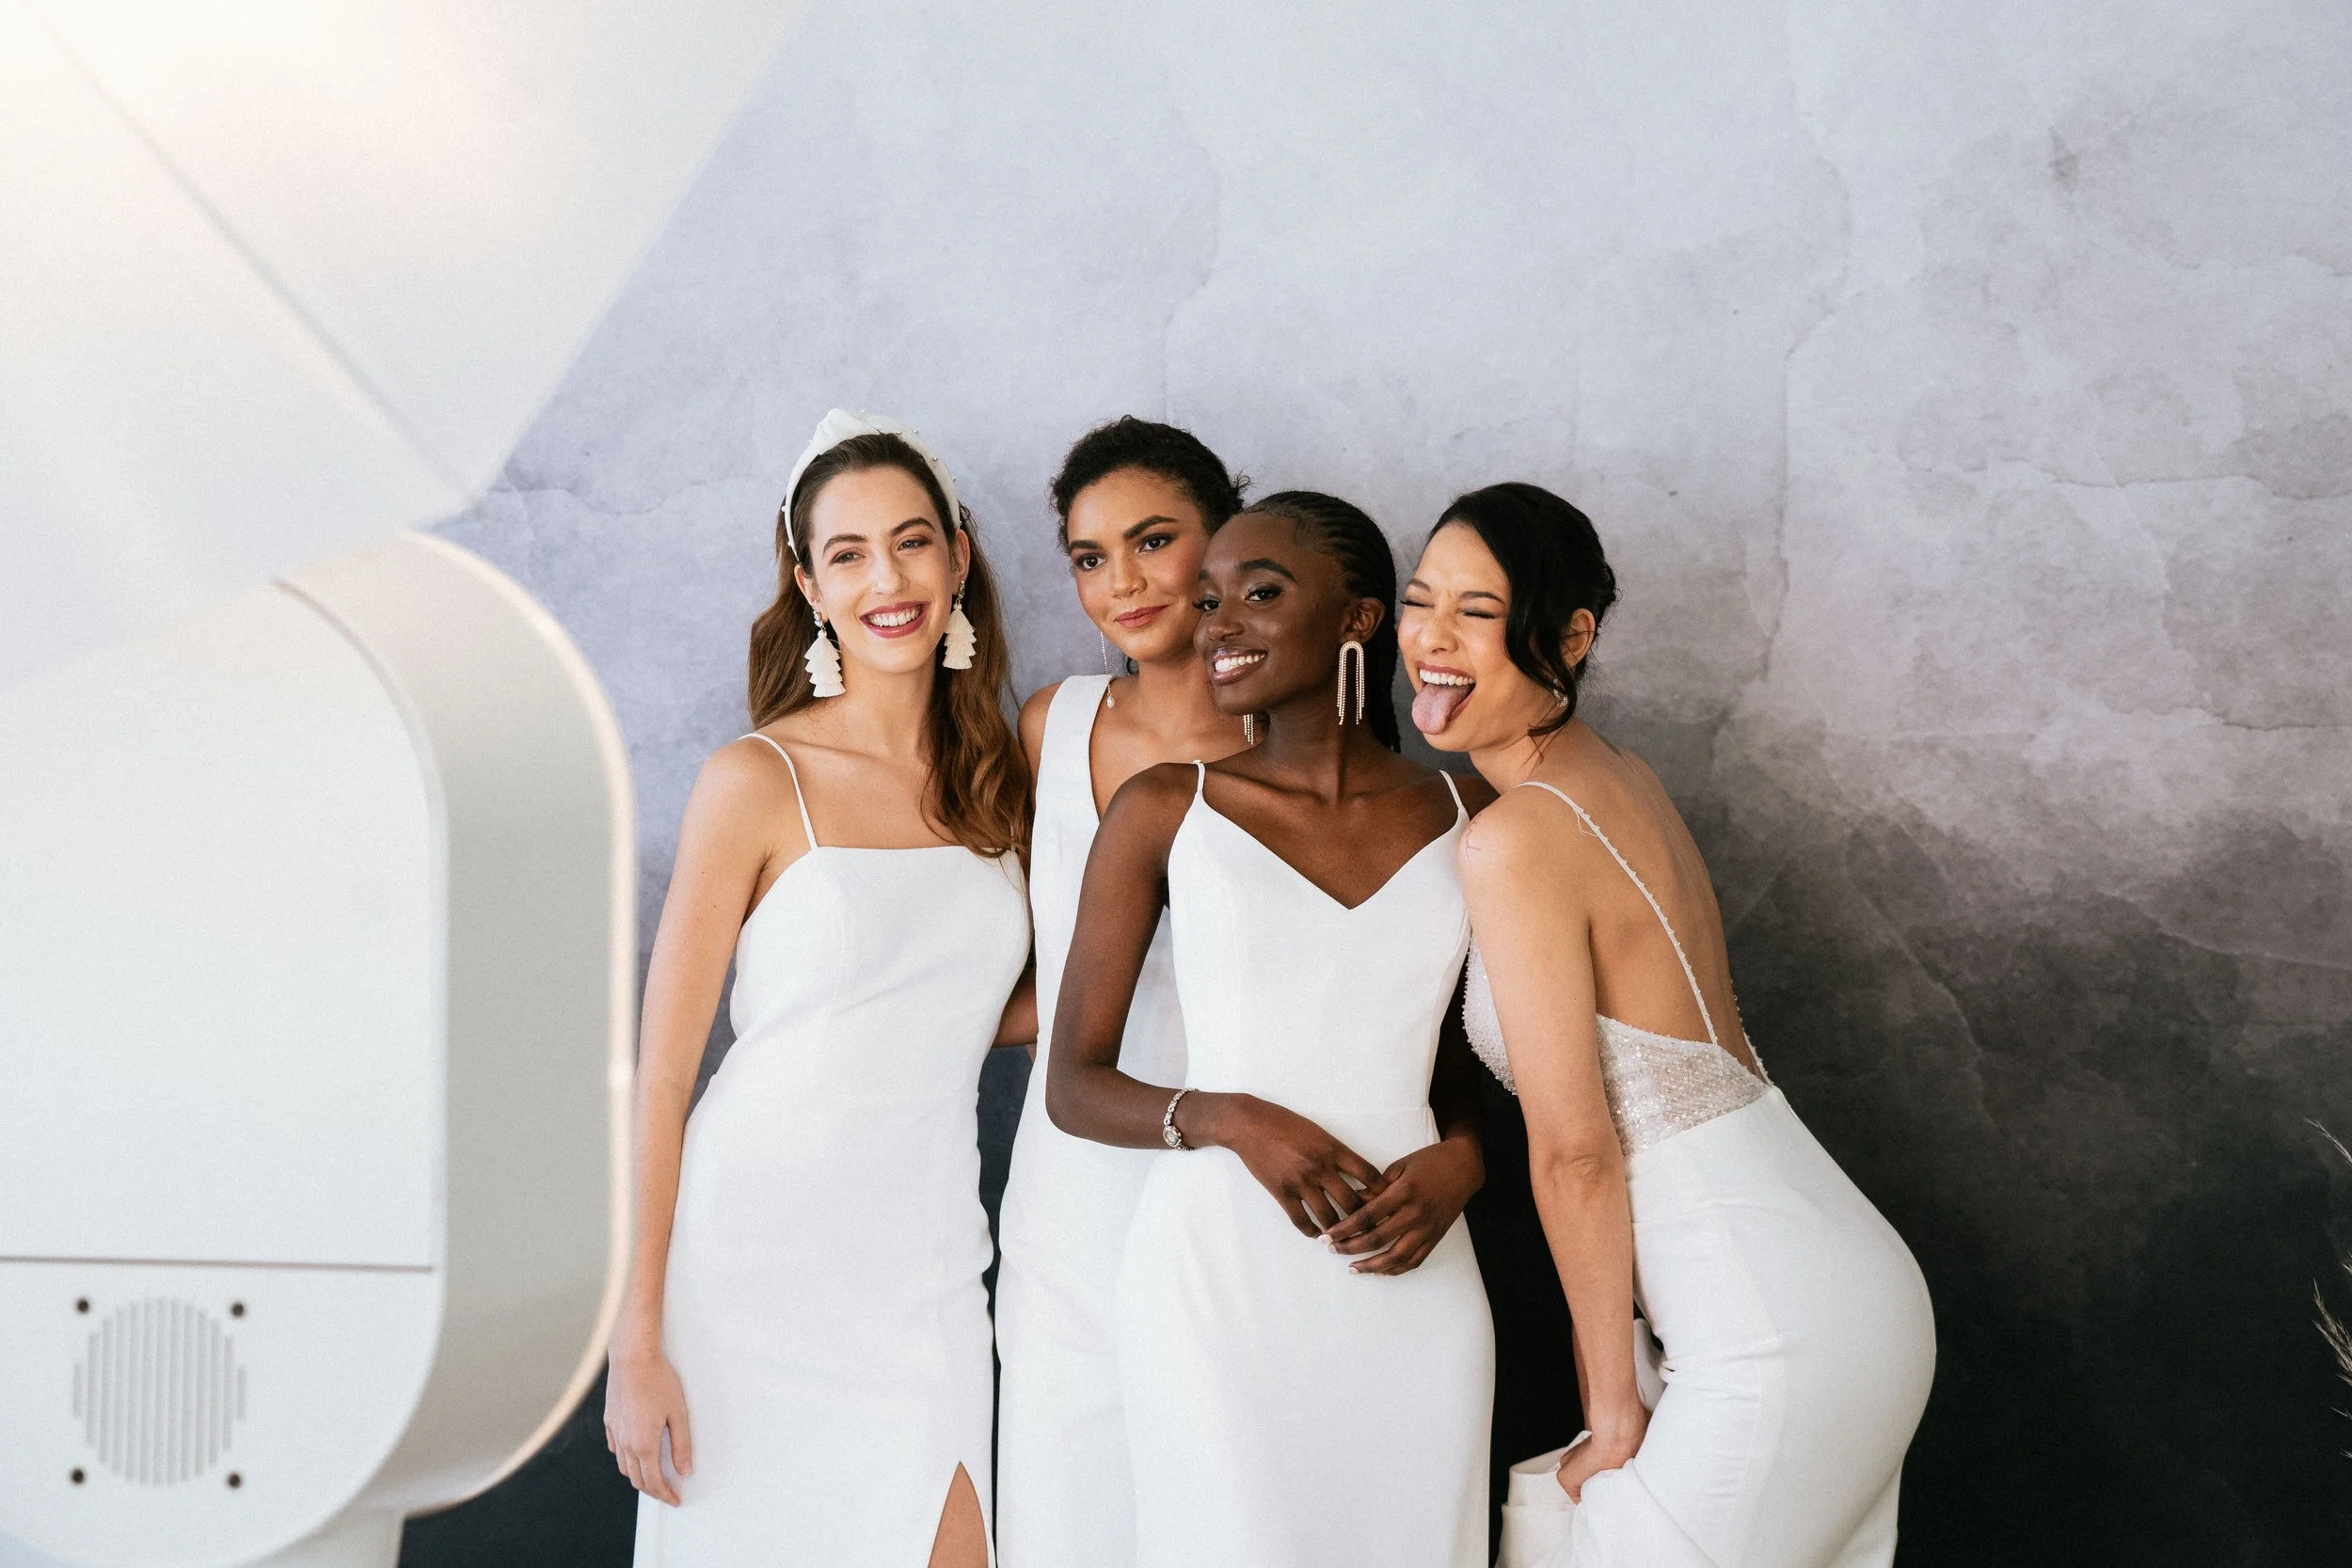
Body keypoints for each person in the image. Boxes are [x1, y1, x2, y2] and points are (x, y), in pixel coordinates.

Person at [1398, 483, 1935, 1567]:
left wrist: (1611, 1405)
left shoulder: (1515, 838)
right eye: (1419, 602)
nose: (1433, 642)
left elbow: (1577, 1151)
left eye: (1478, 611)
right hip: (1826, 1283)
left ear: (1570, 635)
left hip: (1770, 1327)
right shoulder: (1621, 778)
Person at [606, 411, 1034, 1568]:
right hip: (752, 1257)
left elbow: (993, 1002)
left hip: (930, 1254)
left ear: (957, 554)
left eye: (910, 543)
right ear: (807, 583)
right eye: (846, 554)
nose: (885, 580)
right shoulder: (756, 777)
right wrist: (634, 1336)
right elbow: (664, 1070)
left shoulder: (999, 778)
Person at [1048, 491, 1498, 1568]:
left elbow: (1488, 1060)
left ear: (1359, 619)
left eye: (1260, 592)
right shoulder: (1166, 807)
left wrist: (1466, 1162)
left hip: (1412, 1273)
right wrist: (1231, 1117)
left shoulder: (1470, 816)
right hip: (1218, 1281)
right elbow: (1072, 1081)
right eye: (1209, 599)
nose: (1218, 624)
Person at [993, 418, 1250, 1567]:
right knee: (1070, 1513)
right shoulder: (1053, 726)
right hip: (1068, 1191)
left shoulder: (1294, 739)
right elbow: (1014, 970)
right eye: (1091, 557)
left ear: (1224, 543)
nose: (1124, 581)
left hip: (1239, 1182)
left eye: (1153, 539)